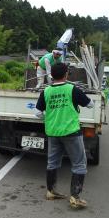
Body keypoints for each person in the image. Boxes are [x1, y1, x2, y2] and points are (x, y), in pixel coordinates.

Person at [35, 63, 94, 209]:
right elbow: (90, 104)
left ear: (51, 75)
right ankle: (75, 197)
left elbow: (37, 113)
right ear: (66, 74)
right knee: (79, 164)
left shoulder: (46, 91)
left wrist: (50, 118)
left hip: (53, 132)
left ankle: (50, 191)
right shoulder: (72, 89)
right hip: (71, 132)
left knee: (52, 162)